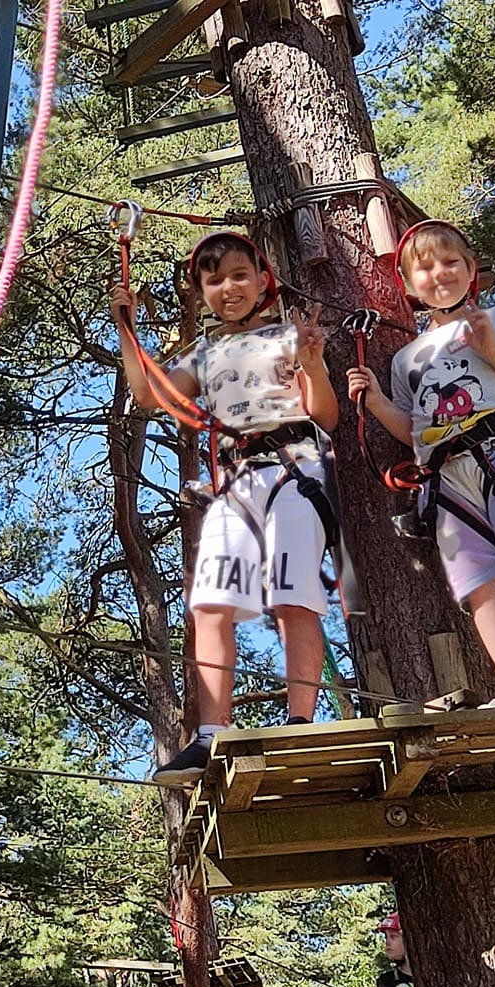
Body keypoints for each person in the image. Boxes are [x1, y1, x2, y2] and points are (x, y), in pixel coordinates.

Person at [117, 229, 342, 781]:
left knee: (293, 595)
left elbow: (326, 416)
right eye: (214, 280)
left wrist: (311, 364)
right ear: (202, 292)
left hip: (295, 466)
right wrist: (128, 328)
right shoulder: (205, 352)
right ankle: (212, 732)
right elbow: (150, 394)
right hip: (236, 481)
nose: (229, 288)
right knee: (210, 603)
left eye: (240, 275)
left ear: (264, 281)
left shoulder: (292, 335)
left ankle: (299, 720)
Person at [346, 220, 495, 706]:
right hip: (447, 476)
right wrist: (375, 403)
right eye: (424, 267)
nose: (439, 273)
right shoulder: (406, 357)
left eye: (451, 262)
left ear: (472, 270)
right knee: (482, 587)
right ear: (409, 284)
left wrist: (490, 347)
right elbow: (413, 428)